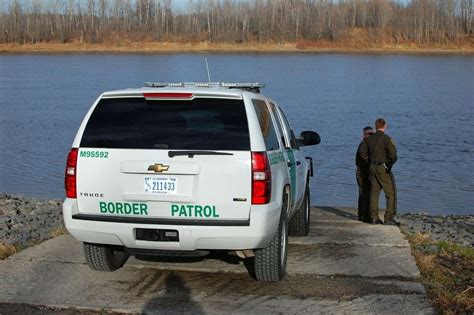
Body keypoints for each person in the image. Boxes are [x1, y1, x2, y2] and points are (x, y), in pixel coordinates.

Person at [360, 118, 398, 225]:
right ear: (385, 126)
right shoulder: (387, 139)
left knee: (374, 192)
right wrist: (389, 164)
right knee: (390, 193)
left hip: (372, 167)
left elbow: (362, 152)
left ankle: (373, 217)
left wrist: (369, 162)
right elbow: (394, 155)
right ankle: (388, 218)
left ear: (375, 126)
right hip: (382, 167)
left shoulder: (369, 139)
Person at [355, 126, 373, 222]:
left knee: (366, 193)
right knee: (363, 193)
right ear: (364, 134)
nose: (370, 135)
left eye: (372, 134)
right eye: (368, 134)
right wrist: (371, 163)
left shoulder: (369, 144)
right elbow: (362, 155)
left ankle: (364, 214)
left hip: (366, 171)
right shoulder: (363, 144)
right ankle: (362, 215)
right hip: (361, 172)